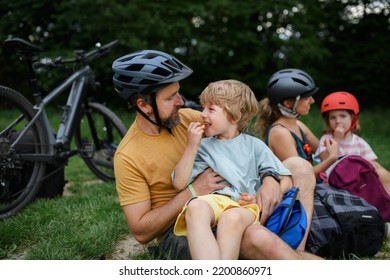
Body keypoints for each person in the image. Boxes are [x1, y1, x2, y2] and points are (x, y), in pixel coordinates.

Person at [112, 51, 321, 260]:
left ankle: (298, 248)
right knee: (256, 236)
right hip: (184, 227)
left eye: (178, 93)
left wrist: (270, 179)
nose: (181, 102)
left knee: (299, 166)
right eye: (170, 97)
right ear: (144, 105)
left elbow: (239, 143)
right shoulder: (128, 156)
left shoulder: (188, 120)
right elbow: (141, 232)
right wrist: (193, 191)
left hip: (239, 201)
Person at [171, 79, 293, 259]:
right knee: (195, 207)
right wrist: (191, 146)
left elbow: (287, 180)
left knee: (231, 218)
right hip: (215, 202)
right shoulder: (202, 146)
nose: (202, 114)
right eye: (203, 107)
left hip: (245, 206)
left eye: (211, 109)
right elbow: (178, 183)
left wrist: (260, 198)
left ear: (235, 117)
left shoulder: (255, 146)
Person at [253, 68, 340, 180]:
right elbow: (300, 177)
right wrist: (331, 158)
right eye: (307, 98)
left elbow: (322, 151)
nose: (312, 101)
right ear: (288, 103)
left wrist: (337, 141)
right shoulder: (280, 133)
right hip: (297, 191)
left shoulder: (297, 124)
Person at [315, 91, 390, 198]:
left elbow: (372, 168)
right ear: (328, 121)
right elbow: (324, 161)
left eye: (342, 116)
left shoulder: (359, 142)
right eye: (333, 117)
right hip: (333, 184)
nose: (338, 121)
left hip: (357, 184)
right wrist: (336, 139)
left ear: (353, 118)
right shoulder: (326, 139)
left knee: (379, 170)